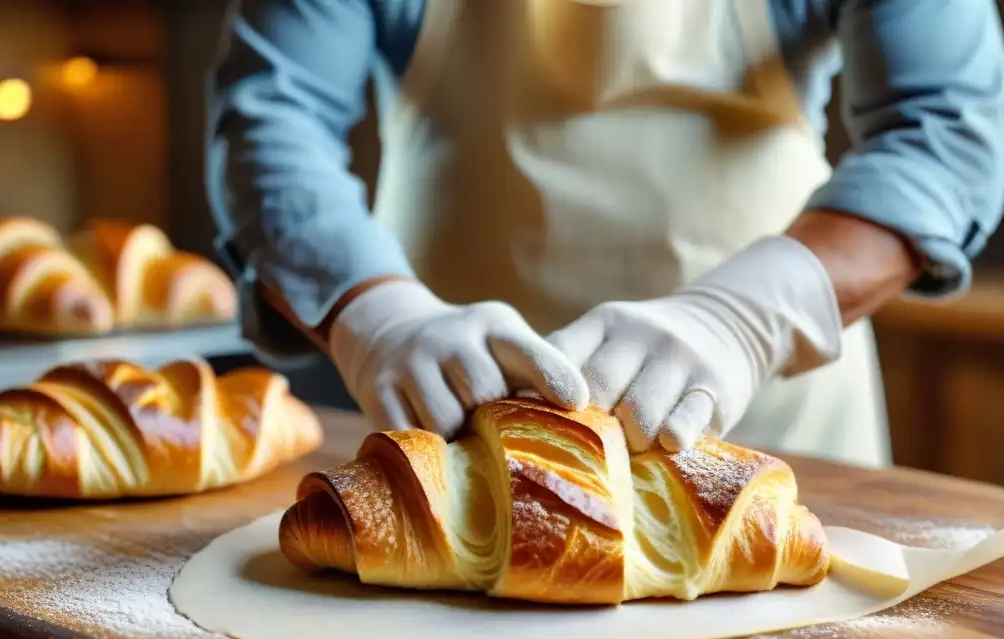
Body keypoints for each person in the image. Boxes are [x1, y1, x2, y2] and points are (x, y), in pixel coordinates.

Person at [206, 0, 1004, 468]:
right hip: (457, 430)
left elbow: (945, 132)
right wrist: (375, 316)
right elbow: (273, 117)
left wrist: (748, 316)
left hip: (775, 433)